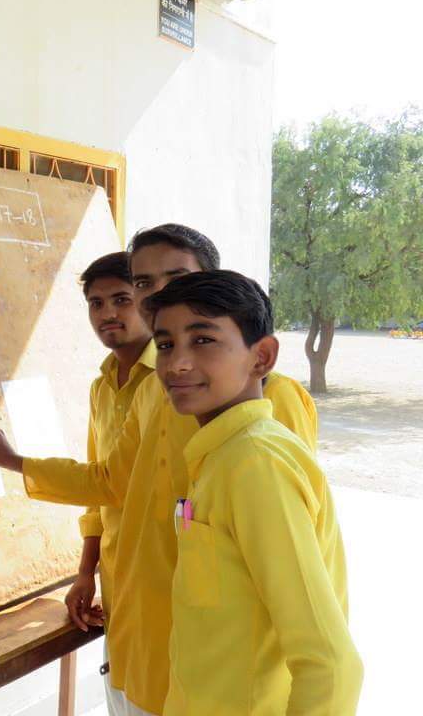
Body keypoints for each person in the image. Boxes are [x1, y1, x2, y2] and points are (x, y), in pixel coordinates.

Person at [0, 224, 317, 716]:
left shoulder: (272, 395)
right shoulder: (155, 391)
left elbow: (303, 580)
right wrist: (16, 463)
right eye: (144, 283)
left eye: (176, 277)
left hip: (216, 658)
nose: (157, 295)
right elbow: (109, 483)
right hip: (135, 622)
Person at [146, 270, 362, 714]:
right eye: (165, 344)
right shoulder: (220, 454)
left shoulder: (255, 463)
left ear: (261, 357)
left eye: (203, 340)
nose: (176, 364)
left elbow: (330, 665)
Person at [66, 252, 156, 703]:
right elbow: (97, 490)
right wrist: (86, 572)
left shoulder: (173, 382)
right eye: (96, 303)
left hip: (163, 582)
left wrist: (17, 462)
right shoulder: (101, 387)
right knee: (121, 697)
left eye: (121, 299)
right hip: (116, 584)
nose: (108, 314)